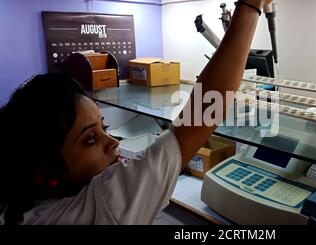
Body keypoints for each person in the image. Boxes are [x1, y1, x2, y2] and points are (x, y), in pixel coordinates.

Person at [0, 0, 273, 225]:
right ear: (46, 172)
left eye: (103, 128)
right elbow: (206, 108)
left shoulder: (22, 208)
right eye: (90, 139)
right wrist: (250, 6)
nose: (113, 142)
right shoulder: (100, 205)